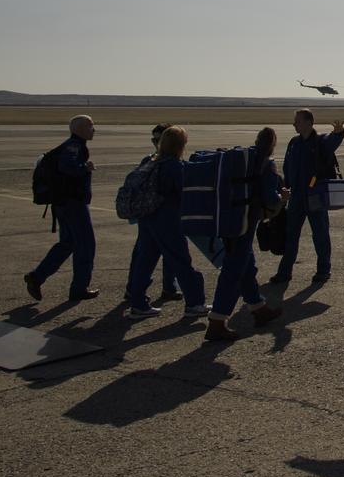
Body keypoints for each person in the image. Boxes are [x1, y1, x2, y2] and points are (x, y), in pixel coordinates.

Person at [206, 127, 286, 341]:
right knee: (233, 269)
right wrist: (282, 198)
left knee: (246, 266)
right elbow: (270, 198)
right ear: (272, 145)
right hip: (245, 222)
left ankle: (258, 308)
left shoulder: (241, 160)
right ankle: (217, 320)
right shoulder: (266, 165)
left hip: (228, 218)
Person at [124, 126, 210, 319]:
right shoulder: (174, 166)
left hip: (147, 219)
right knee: (180, 261)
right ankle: (195, 303)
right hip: (167, 220)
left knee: (144, 261)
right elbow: (184, 193)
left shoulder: (149, 161)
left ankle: (137, 302)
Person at [24, 115, 100, 302]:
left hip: (64, 204)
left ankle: (37, 277)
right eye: (90, 126)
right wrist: (85, 167)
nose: (93, 129)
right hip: (73, 204)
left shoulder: (72, 145)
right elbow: (67, 167)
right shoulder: (74, 146)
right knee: (85, 245)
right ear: (80, 129)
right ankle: (79, 288)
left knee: (68, 243)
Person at [270, 110, 344, 285]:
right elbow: (287, 166)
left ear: (309, 123)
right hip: (296, 196)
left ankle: (323, 270)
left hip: (315, 196)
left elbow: (334, 140)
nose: (294, 124)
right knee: (290, 236)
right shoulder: (294, 143)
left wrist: (339, 132)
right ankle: (284, 273)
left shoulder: (320, 141)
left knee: (320, 235)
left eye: (297, 121)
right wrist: (285, 187)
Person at [123, 123, 181, 303]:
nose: (156, 143)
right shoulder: (157, 162)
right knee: (147, 254)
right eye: (154, 139)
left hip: (153, 216)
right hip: (156, 216)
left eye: (160, 139)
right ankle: (135, 290)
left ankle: (167, 287)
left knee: (151, 254)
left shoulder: (157, 162)